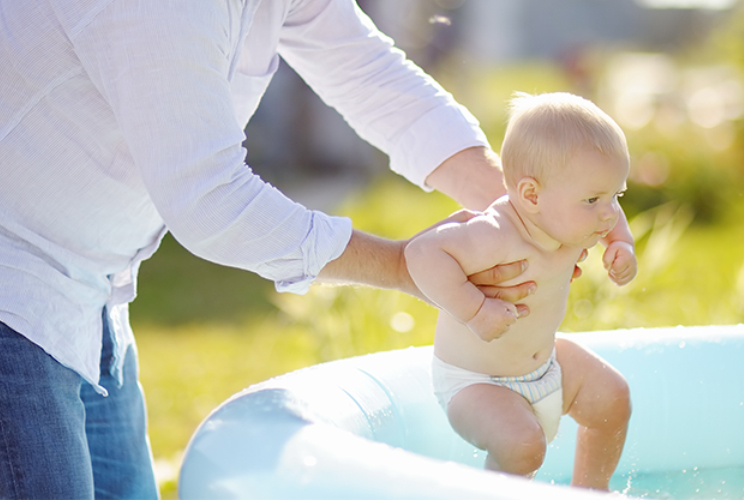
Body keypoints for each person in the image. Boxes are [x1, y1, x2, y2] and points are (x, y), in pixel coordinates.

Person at [0, 1, 537, 498]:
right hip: (14, 291)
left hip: (87, 295)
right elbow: (211, 201)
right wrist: (402, 265)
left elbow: (368, 75)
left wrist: (529, 212)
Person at [405, 92, 636, 490]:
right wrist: (475, 310)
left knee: (613, 398)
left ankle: (591, 491)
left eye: (616, 195)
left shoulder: (572, 218)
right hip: (477, 381)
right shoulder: (495, 234)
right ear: (531, 195)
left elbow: (611, 216)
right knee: (523, 447)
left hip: (545, 365)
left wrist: (623, 245)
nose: (609, 213)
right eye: (594, 199)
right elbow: (422, 253)